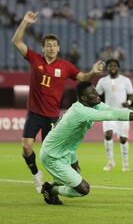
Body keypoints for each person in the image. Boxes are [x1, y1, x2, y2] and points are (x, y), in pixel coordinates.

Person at [11, 11, 104, 193]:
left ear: (59, 48)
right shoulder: (35, 59)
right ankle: (36, 175)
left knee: (55, 153)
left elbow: (83, 77)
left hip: (53, 116)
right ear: (43, 48)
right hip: (35, 113)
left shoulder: (66, 66)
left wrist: (92, 71)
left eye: (54, 46)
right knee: (27, 147)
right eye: (48, 45)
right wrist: (25, 22)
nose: (51, 48)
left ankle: (67, 176)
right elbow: (16, 42)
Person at [40, 81, 133, 205]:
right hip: (52, 155)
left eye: (96, 91)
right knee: (83, 189)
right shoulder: (80, 111)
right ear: (84, 98)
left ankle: (51, 185)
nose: (97, 94)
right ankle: (51, 190)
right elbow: (112, 115)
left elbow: (116, 111)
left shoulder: (93, 105)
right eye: (93, 93)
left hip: (68, 151)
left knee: (76, 172)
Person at [96, 59, 133, 172]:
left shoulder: (125, 80)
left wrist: (129, 102)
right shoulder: (103, 81)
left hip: (122, 113)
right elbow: (96, 94)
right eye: (110, 66)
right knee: (108, 134)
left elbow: (131, 95)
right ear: (107, 68)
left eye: (115, 65)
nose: (112, 67)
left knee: (123, 139)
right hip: (108, 112)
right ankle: (110, 161)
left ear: (118, 67)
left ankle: (125, 163)